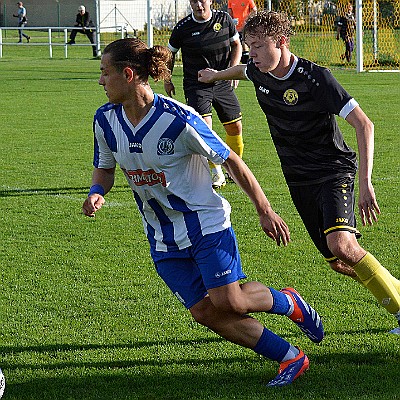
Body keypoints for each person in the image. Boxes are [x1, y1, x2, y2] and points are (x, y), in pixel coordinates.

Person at [82, 38, 325, 387]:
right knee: (205, 312)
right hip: (161, 237)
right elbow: (104, 171)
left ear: (129, 74)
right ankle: (290, 357)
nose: (101, 81)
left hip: (206, 224)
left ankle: (287, 301)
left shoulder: (179, 120)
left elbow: (232, 162)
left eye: (105, 73)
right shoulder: (104, 121)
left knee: (232, 301)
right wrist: (95, 193)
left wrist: (265, 210)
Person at [198, 10, 400, 334]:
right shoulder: (258, 70)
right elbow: (244, 70)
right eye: (249, 46)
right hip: (299, 179)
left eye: (259, 47)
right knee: (338, 262)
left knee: (342, 246)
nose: (253, 54)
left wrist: (365, 183)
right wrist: (215, 76)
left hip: (333, 171)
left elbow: (365, 123)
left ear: (281, 42)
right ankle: (395, 289)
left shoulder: (315, 78)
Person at [164, 0, 244, 189]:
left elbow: (237, 45)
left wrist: (233, 69)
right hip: (196, 85)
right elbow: (169, 54)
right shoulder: (183, 27)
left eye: (202, 0)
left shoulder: (224, 19)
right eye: (194, 1)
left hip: (222, 81)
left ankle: (233, 170)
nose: (199, 5)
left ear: (210, 1)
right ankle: (216, 172)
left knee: (235, 127)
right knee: (205, 129)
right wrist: (167, 79)